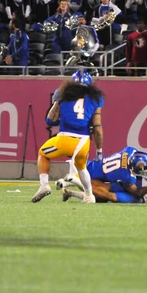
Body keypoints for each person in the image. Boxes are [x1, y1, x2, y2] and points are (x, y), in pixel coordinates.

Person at [31, 70, 104, 204]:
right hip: (83, 142)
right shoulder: (95, 98)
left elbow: (50, 121)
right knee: (82, 167)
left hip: (65, 138)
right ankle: (88, 195)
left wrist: (57, 103)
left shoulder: (63, 94)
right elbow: (97, 127)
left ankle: (44, 185)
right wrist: (99, 150)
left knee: (43, 154)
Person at [57, 147, 147, 203]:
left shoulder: (129, 150)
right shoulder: (127, 176)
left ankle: (68, 185)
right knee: (92, 191)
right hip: (92, 174)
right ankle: (73, 180)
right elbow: (137, 194)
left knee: (99, 198)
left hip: (92, 165)